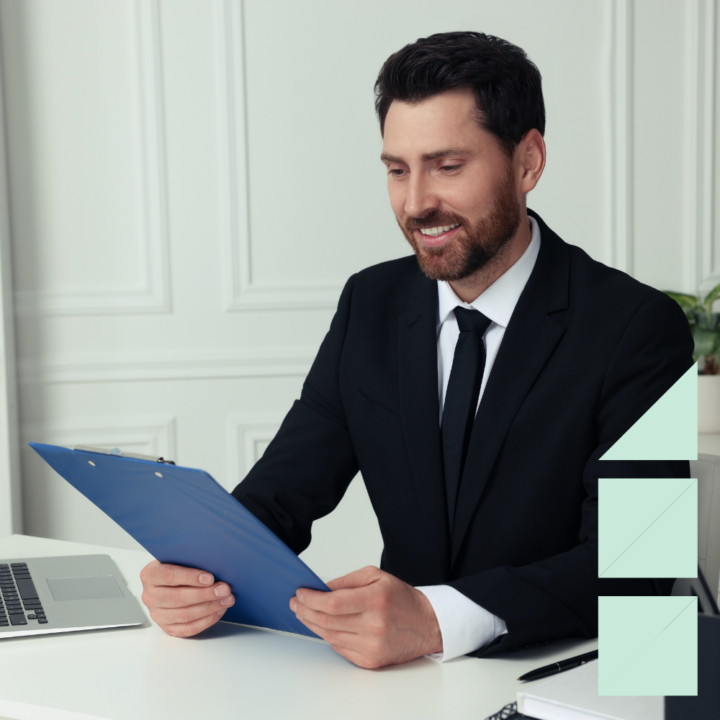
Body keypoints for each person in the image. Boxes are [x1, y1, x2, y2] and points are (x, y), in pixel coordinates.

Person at [139, 31, 693, 669]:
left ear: (528, 162)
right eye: (397, 170)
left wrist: (435, 620)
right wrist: (196, 572)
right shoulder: (369, 304)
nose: (415, 202)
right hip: (399, 687)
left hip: (558, 678)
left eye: (448, 166)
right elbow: (279, 496)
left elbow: (636, 572)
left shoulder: (637, 327)